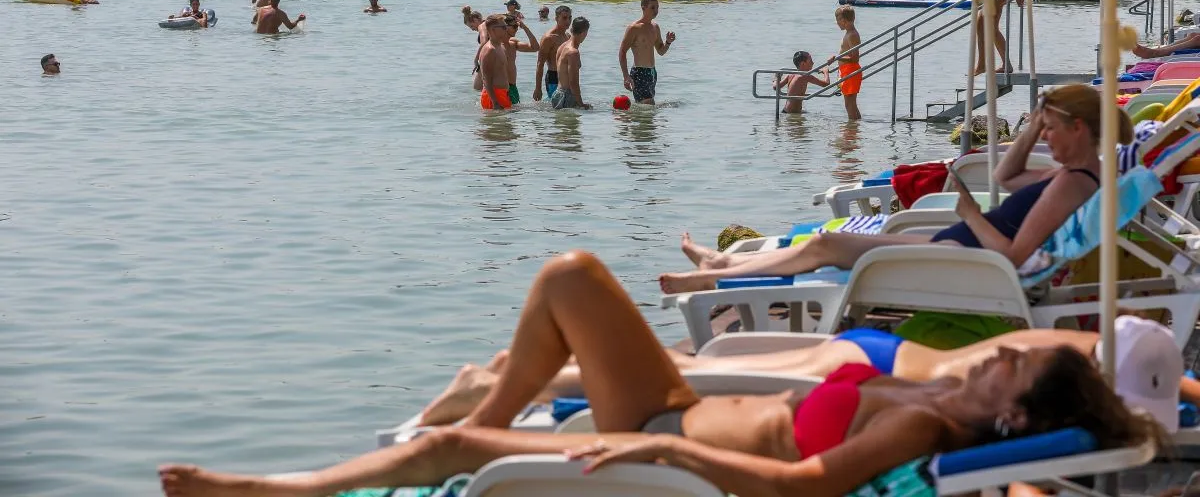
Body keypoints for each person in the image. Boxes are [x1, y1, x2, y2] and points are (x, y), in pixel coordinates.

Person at [157, 251, 1162, 497]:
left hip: (671, 450)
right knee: (571, 278)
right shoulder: (938, 397)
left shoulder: (924, 433)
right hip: (676, 407)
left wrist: (649, 443)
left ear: (1015, 405)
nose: (1005, 347)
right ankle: (500, 431)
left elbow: (796, 484)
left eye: (1015, 358)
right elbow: (785, 405)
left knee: (448, 437)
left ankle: (264, 489)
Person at [659, 83, 1129, 293]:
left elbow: (1013, 256)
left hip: (971, 259)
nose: (1044, 138)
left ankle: (716, 275)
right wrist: (1032, 125)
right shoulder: (1079, 176)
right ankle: (725, 263)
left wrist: (967, 215)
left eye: (1051, 130)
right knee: (827, 244)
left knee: (826, 243)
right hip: (957, 246)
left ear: (1081, 128)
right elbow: (1006, 178)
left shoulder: (1071, 184)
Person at [420, 315, 1187, 430]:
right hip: (874, 365)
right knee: (687, 371)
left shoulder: (1067, 345)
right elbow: (1175, 390)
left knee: (689, 363)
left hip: (876, 353)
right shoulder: (1065, 372)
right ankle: (507, 382)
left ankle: (507, 374)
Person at [619, 0, 676, 105]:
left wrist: (668, 42)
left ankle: (628, 117)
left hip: (652, 73)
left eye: (657, 7)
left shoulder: (655, 27)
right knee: (649, 107)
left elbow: (660, 51)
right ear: (643, 8)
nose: (656, 11)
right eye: (653, 7)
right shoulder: (634, 28)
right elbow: (622, 52)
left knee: (646, 111)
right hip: (639, 72)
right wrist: (626, 76)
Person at [822, 6, 862, 120]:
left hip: (851, 71)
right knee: (850, 105)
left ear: (844, 21)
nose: (837, 23)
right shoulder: (849, 33)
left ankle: (851, 133)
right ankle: (854, 129)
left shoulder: (852, 34)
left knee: (850, 105)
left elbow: (855, 58)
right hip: (846, 71)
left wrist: (836, 58)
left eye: (838, 20)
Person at [533, 5, 571, 101]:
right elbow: (540, 64)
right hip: (553, 77)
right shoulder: (548, 38)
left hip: (567, 76)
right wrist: (538, 88)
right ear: (556, 18)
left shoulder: (568, 36)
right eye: (564, 18)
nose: (568, 21)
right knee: (557, 109)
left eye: (570, 17)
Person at [552, 17, 591, 110]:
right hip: (567, 96)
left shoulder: (563, 46)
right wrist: (581, 103)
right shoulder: (573, 53)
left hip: (557, 93)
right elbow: (573, 82)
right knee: (571, 124)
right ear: (584, 33)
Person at [502, 15, 539, 105]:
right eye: (514, 26)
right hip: (501, 87)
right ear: (505, 27)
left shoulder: (513, 44)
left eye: (517, 26)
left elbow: (535, 47)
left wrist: (525, 28)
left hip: (513, 87)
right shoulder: (496, 45)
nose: (517, 29)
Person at [478, 15, 512, 110]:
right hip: (493, 96)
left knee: (507, 125)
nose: (506, 29)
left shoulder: (500, 46)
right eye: (504, 27)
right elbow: (486, 79)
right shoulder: (489, 50)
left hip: (502, 93)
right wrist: (495, 102)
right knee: (497, 124)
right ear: (493, 30)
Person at [463, 7, 487, 88]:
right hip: (494, 58)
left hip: (490, 59)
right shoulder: (488, 24)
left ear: (476, 20)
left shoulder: (482, 26)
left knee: (477, 87)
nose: (473, 29)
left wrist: (476, 59)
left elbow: (484, 42)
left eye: (472, 26)